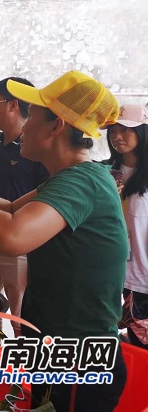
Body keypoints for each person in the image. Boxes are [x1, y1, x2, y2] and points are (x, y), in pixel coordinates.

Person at [0, 70, 127, 411]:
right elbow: (10, 208)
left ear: (56, 126)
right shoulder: (69, 178)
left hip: (78, 357)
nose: (24, 126)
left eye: (33, 116)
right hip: (56, 349)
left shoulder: (82, 182)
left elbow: (12, 237)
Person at [0, 77, 50, 335]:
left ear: (14, 105)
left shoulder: (38, 151)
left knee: (20, 316)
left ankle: (20, 358)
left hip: (19, 246)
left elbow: (33, 205)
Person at [104, 104, 148, 350]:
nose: (117, 136)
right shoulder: (105, 171)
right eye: (113, 130)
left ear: (142, 132)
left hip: (143, 274)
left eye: (126, 129)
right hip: (114, 270)